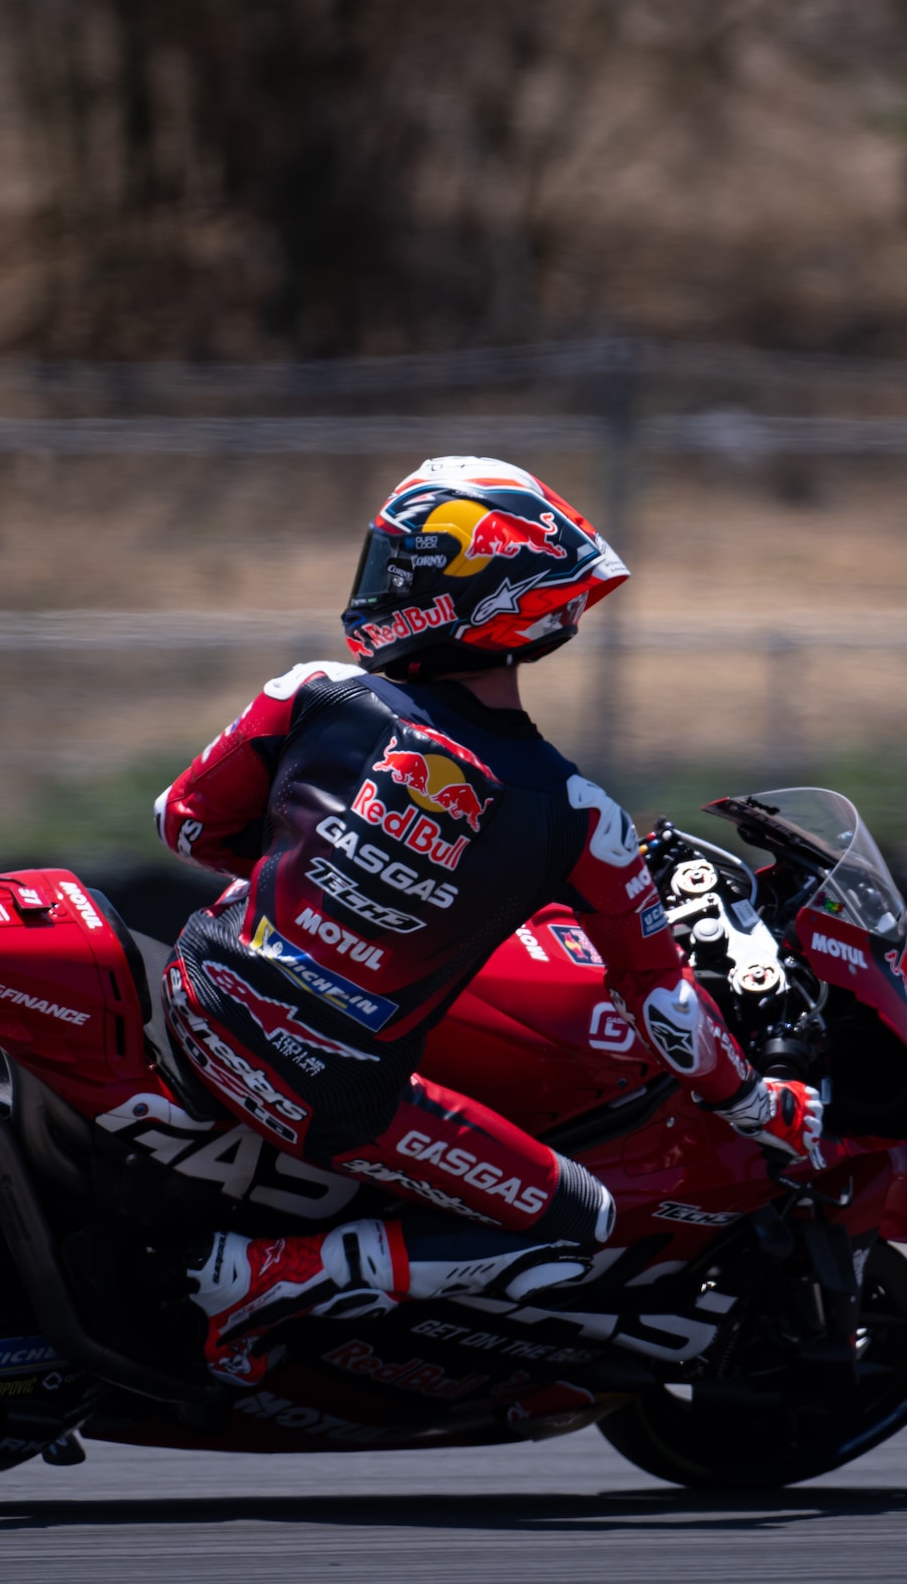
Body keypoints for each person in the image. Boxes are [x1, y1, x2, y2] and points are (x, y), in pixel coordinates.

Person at [152, 456, 824, 1386]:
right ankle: (269, 1275)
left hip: (194, 993)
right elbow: (665, 1005)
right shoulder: (581, 817)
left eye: (398, 567)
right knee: (583, 1221)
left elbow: (183, 821)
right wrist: (756, 1102)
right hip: (327, 1093)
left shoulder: (310, 690)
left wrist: (327, 873)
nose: (380, 587)